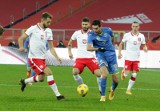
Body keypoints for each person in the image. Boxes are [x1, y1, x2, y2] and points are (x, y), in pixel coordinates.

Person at [18, 12, 65, 100]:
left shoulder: (49, 31)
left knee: (41, 78)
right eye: (48, 22)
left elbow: (51, 47)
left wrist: (57, 57)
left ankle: (24, 81)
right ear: (42, 19)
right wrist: (21, 47)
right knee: (49, 72)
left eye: (50, 22)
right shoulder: (33, 28)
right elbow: (21, 38)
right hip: (33, 58)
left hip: (42, 58)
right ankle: (58, 95)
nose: (49, 24)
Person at [68, 17, 102, 96]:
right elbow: (70, 43)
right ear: (81, 24)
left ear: (89, 24)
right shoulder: (77, 33)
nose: (84, 26)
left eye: (86, 24)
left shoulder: (93, 33)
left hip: (91, 57)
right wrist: (70, 52)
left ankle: (101, 89)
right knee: (75, 72)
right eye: (83, 24)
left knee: (99, 74)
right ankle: (82, 86)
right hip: (80, 58)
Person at [87, 20, 119, 102]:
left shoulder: (108, 30)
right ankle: (103, 96)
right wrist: (98, 49)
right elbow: (88, 48)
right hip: (101, 55)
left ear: (100, 26)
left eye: (96, 28)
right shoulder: (91, 34)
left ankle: (112, 89)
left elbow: (113, 36)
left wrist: (110, 44)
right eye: (93, 28)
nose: (95, 30)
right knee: (104, 75)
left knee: (116, 80)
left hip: (111, 55)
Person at [118, 21, 148, 95]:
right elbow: (121, 44)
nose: (135, 28)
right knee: (126, 74)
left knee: (134, 74)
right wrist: (119, 53)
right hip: (128, 57)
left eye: (136, 26)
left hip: (136, 58)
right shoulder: (127, 35)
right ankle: (123, 72)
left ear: (139, 27)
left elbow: (144, 45)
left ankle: (128, 90)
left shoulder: (141, 36)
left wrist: (145, 48)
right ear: (131, 27)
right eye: (133, 26)